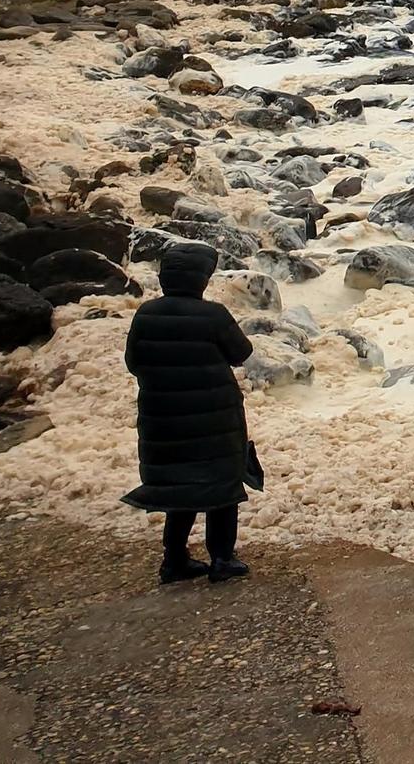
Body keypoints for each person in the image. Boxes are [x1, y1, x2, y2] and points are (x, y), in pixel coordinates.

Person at [122, 241, 260, 584]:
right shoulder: (213, 315)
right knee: (222, 486)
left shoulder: (146, 313)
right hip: (215, 418)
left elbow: (133, 362)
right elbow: (241, 352)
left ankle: (174, 561)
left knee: (178, 487)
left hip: (163, 417)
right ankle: (222, 558)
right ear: (200, 279)